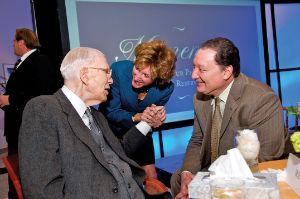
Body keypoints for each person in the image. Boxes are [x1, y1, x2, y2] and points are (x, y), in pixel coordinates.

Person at [18, 47, 166, 199]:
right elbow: (42, 191)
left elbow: (119, 151)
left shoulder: (96, 115)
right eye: (106, 72)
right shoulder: (43, 108)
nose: (111, 79)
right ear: (85, 75)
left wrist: (146, 122)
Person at [171, 37, 285, 199]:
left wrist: (211, 184)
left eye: (202, 69)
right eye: (193, 67)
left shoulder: (261, 99)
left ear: (226, 72)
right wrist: (188, 173)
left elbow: (267, 156)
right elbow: (198, 140)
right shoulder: (200, 97)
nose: (193, 75)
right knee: (178, 178)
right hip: (211, 169)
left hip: (245, 174)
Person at [101, 40, 177, 179]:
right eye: (137, 68)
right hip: (111, 132)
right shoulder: (119, 70)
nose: (137, 77)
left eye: (145, 75)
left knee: (151, 178)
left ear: (159, 76)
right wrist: (138, 117)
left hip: (140, 133)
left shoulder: (166, 88)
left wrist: (155, 120)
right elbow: (111, 112)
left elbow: (150, 121)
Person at [0, 28, 57, 199]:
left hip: (27, 129)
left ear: (22, 42)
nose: (12, 45)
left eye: (14, 41)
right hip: (17, 128)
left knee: (26, 172)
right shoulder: (23, 62)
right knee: (17, 172)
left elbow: (40, 93)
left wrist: (10, 100)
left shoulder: (40, 61)